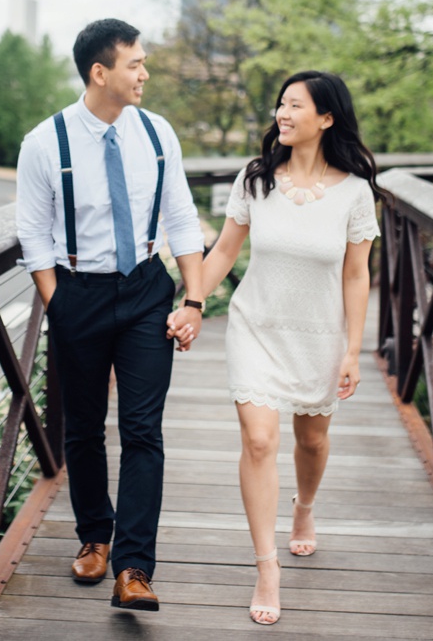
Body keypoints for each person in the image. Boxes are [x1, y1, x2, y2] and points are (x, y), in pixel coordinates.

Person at [167, 70, 392, 625]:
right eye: (280, 105)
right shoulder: (256, 179)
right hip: (256, 327)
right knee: (260, 440)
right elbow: (222, 253)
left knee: (311, 441)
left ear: (327, 118)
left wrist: (351, 350)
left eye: (295, 105)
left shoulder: (355, 193)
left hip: (319, 335)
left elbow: (356, 276)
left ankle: (304, 510)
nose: (282, 114)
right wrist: (192, 301)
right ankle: (267, 566)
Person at [17, 18, 206, 612]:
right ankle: (94, 536)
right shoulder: (45, 143)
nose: (145, 73)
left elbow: (181, 219)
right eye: (135, 64)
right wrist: (60, 304)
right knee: (83, 427)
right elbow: (33, 235)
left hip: (147, 288)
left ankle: (134, 567)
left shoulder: (158, 134)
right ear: (100, 73)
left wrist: (194, 300)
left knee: (143, 430)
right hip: (79, 291)